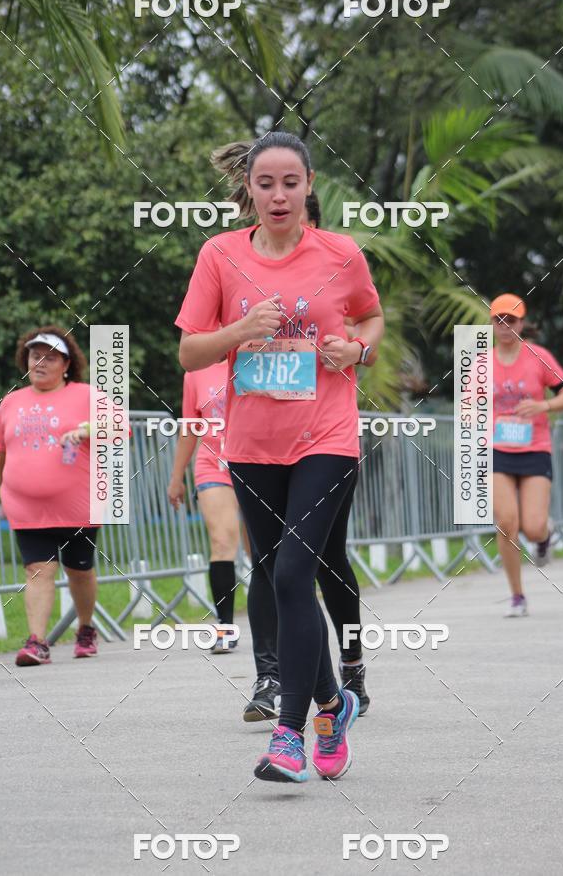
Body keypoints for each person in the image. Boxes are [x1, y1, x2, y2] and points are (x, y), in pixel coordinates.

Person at [177, 131, 384, 784]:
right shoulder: (218, 256)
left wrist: (359, 352)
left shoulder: (341, 254)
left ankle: (288, 735)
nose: (278, 195)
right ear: (248, 189)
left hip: (326, 437)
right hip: (250, 447)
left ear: (310, 184)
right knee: (277, 578)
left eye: (290, 183)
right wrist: (239, 332)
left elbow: (371, 319)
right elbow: (189, 353)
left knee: (295, 575)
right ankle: (333, 705)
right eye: (265, 183)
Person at [0, 327, 99, 665]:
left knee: (79, 570)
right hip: (27, 507)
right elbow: (2, 452)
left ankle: (85, 628)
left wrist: (85, 429)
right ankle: (37, 642)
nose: (39, 362)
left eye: (49, 357)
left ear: (66, 364)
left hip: (78, 506)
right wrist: (4, 488)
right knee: (37, 570)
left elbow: (120, 426)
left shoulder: (85, 394)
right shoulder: (11, 401)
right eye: (34, 355)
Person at [491, 295, 563, 617]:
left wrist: (543, 406)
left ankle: (545, 537)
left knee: (532, 526)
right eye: (498, 320)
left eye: (510, 320)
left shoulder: (537, 357)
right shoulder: (482, 362)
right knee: (506, 524)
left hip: (535, 448)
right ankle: (517, 596)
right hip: (499, 449)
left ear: (521, 323)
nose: (504, 326)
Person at [167, 359, 242, 653]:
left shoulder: (259, 356)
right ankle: (224, 626)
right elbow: (190, 426)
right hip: (214, 464)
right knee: (222, 542)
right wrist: (176, 477)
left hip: (261, 461)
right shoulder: (195, 373)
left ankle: (278, 623)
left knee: (263, 550)